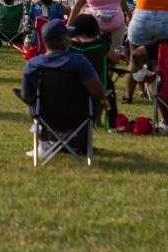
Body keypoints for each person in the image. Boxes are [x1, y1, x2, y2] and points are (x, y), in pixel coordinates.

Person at [18, 20, 106, 157]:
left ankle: (44, 144)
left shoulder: (33, 65)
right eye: (67, 36)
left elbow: (25, 95)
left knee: (31, 102)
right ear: (62, 40)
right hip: (80, 116)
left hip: (45, 117)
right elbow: (98, 91)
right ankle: (80, 144)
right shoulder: (79, 61)